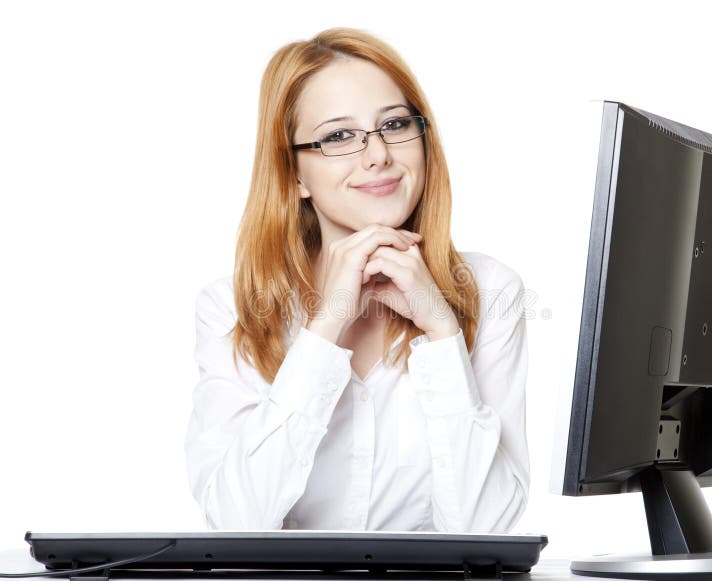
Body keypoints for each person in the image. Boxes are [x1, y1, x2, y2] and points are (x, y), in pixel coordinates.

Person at [184, 27, 530, 533]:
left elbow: (487, 534)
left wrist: (441, 330)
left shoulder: (491, 289)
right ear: (294, 176)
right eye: (339, 136)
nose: (378, 155)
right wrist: (325, 327)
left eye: (394, 124)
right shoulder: (231, 307)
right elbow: (237, 522)